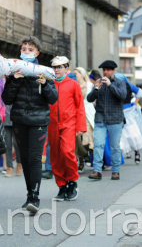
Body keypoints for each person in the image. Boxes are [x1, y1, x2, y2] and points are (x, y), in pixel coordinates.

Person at [2, 36, 58, 213]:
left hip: (38, 122)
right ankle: (29, 195)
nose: (26, 52)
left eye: (30, 50)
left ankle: (35, 197)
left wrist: (45, 85)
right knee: (25, 159)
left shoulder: (44, 72)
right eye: (24, 49)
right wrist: (16, 81)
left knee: (34, 159)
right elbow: (6, 99)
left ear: (37, 53)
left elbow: (53, 99)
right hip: (19, 121)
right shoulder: (14, 72)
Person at [48, 57, 86, 201]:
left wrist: (80, 126)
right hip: (52, 124)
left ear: (66, 68)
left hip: (69, 123)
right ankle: (61, 186)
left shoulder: (73, 84)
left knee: (68, 152)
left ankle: (72, 182)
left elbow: (80, 106)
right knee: (56, 156)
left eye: (59, 67)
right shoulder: (49, 83)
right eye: (54, 67)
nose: (56, 70)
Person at [87, 60, 126, 181]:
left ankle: (115, 171)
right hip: (100, 119)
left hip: (115, 119)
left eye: (108, 70)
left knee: (114, 146)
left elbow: (122, 96)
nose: (105, 72)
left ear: (113, 70)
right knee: (98, 145)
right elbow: (89, 98)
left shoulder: (119, 82)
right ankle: (97, 171)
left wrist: (110, 85)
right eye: (104, 70)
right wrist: (96, 88)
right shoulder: (99, 84)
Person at [115, 74, 142, 164]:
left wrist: (135, 103)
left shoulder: (128, 85)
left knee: (132, 134)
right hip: (117, 112)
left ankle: (137, 152)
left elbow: (140, 92)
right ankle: (119, 157)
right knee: (120, 136)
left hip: (128, 112)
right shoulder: (113, 85)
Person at [73, 67, 95, 173]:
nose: (74, 75)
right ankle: (81, 161)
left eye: (76, 73)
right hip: (76, 114)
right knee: (78, 138)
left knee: (87, 137)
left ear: (82, 74)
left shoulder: (90, 85)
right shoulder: (73, 85)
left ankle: (86, 155)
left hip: (88, 113)